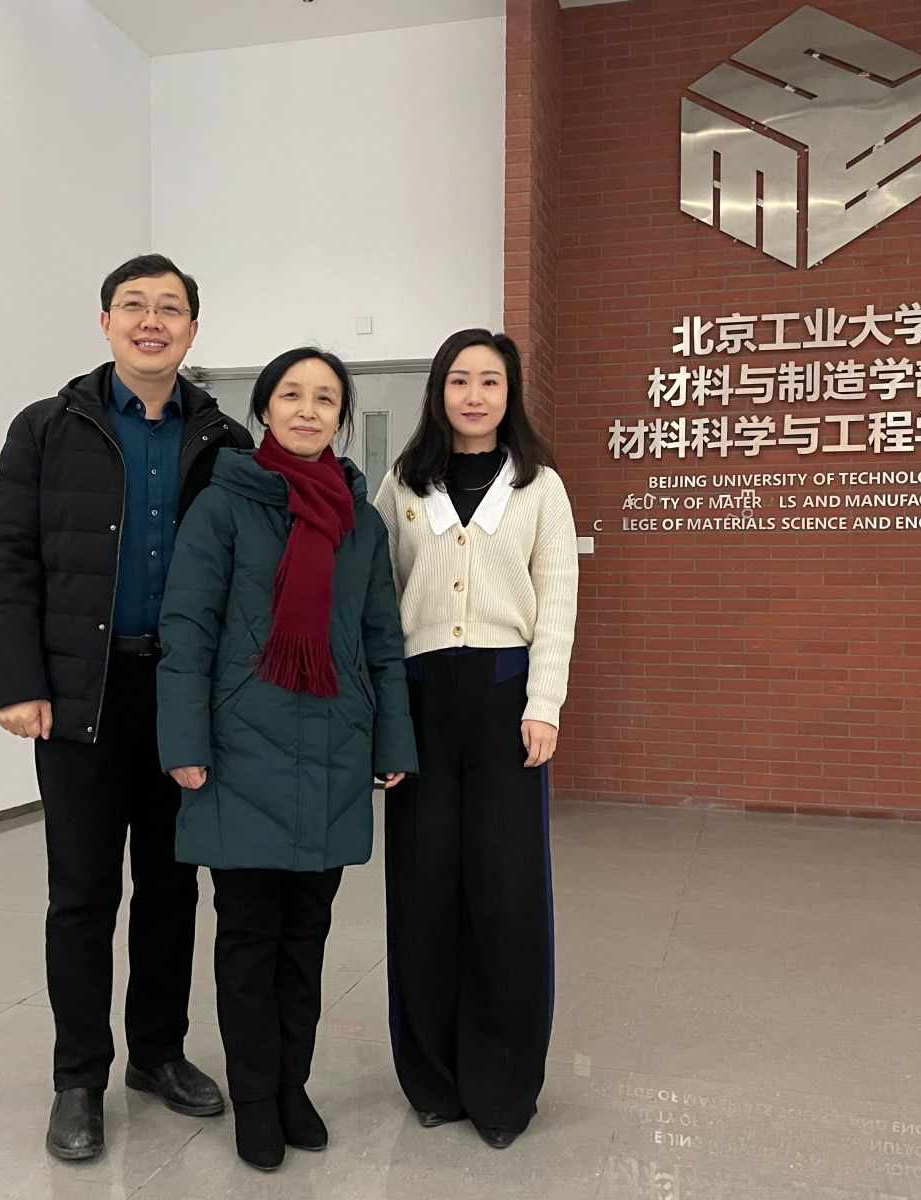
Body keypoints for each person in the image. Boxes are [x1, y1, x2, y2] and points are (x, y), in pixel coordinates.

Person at [0, 254, 249, 1161]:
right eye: (134, 305)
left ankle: (159, 1054)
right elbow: (8, 560)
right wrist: (18, 681)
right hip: (79, 697)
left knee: (173, 888)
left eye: (170, 308)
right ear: (105, 322)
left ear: (193, 330)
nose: (151, 321)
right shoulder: (46, 429)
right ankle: (78, 1079)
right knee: (82, 895)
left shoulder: (225, 440)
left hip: (183, 697)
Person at [157, 346, 417, 1172]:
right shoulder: (222, 506)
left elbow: (381, 641)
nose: (308, 410)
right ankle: (255, 1100)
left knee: (306, 936)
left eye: (326, 399)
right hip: (240, 749)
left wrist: (393, 740)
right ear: (264, 408)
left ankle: (293, 1086)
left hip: (335, 748)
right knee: (248, 937)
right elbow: (187, 629)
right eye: (292, 395)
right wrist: (183, 743)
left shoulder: (360, 521)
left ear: (342, 417)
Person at [374, 328, 579, 1148]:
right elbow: (379, 603)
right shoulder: (403, 483)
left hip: (504, 702)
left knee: (505, 891)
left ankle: (503, 1084)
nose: (473, 395)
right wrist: (385, 720)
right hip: (421, 703)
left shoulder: (539, 487)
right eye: (459, 379)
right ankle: (431, 1076)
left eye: (490, 380)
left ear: (509, 392)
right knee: (422, 889)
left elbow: (557, 601)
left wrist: (545, 704)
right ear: (438, 390)